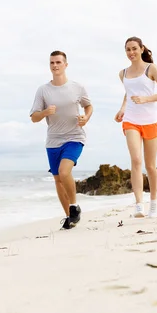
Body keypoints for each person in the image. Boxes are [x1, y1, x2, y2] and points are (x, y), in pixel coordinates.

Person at [30, 50, 93, 229]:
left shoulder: (77, 87)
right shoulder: (43, 90)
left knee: (64, 172)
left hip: (74, 136)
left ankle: (74, 206)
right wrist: (45, 112)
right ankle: (69, 217)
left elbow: (88, 105)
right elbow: (34, 117)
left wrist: (86, 117)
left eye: (58, 62)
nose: (55, 66)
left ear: (65, 65)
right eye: (52, 63)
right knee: (58, 180)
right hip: (53, 141)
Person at [114, 37, 157, 218]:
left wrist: (146, 99)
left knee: (150, 165)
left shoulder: (151, 68)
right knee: (136, 160)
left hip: (151, 120)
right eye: (128, 50)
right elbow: (128, 93)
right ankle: (139, 204)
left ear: (141, 49)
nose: (131, 53)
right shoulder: (122, 73)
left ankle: (154, 201)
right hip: (131, 120)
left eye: (134, 49)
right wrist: (122, 109)